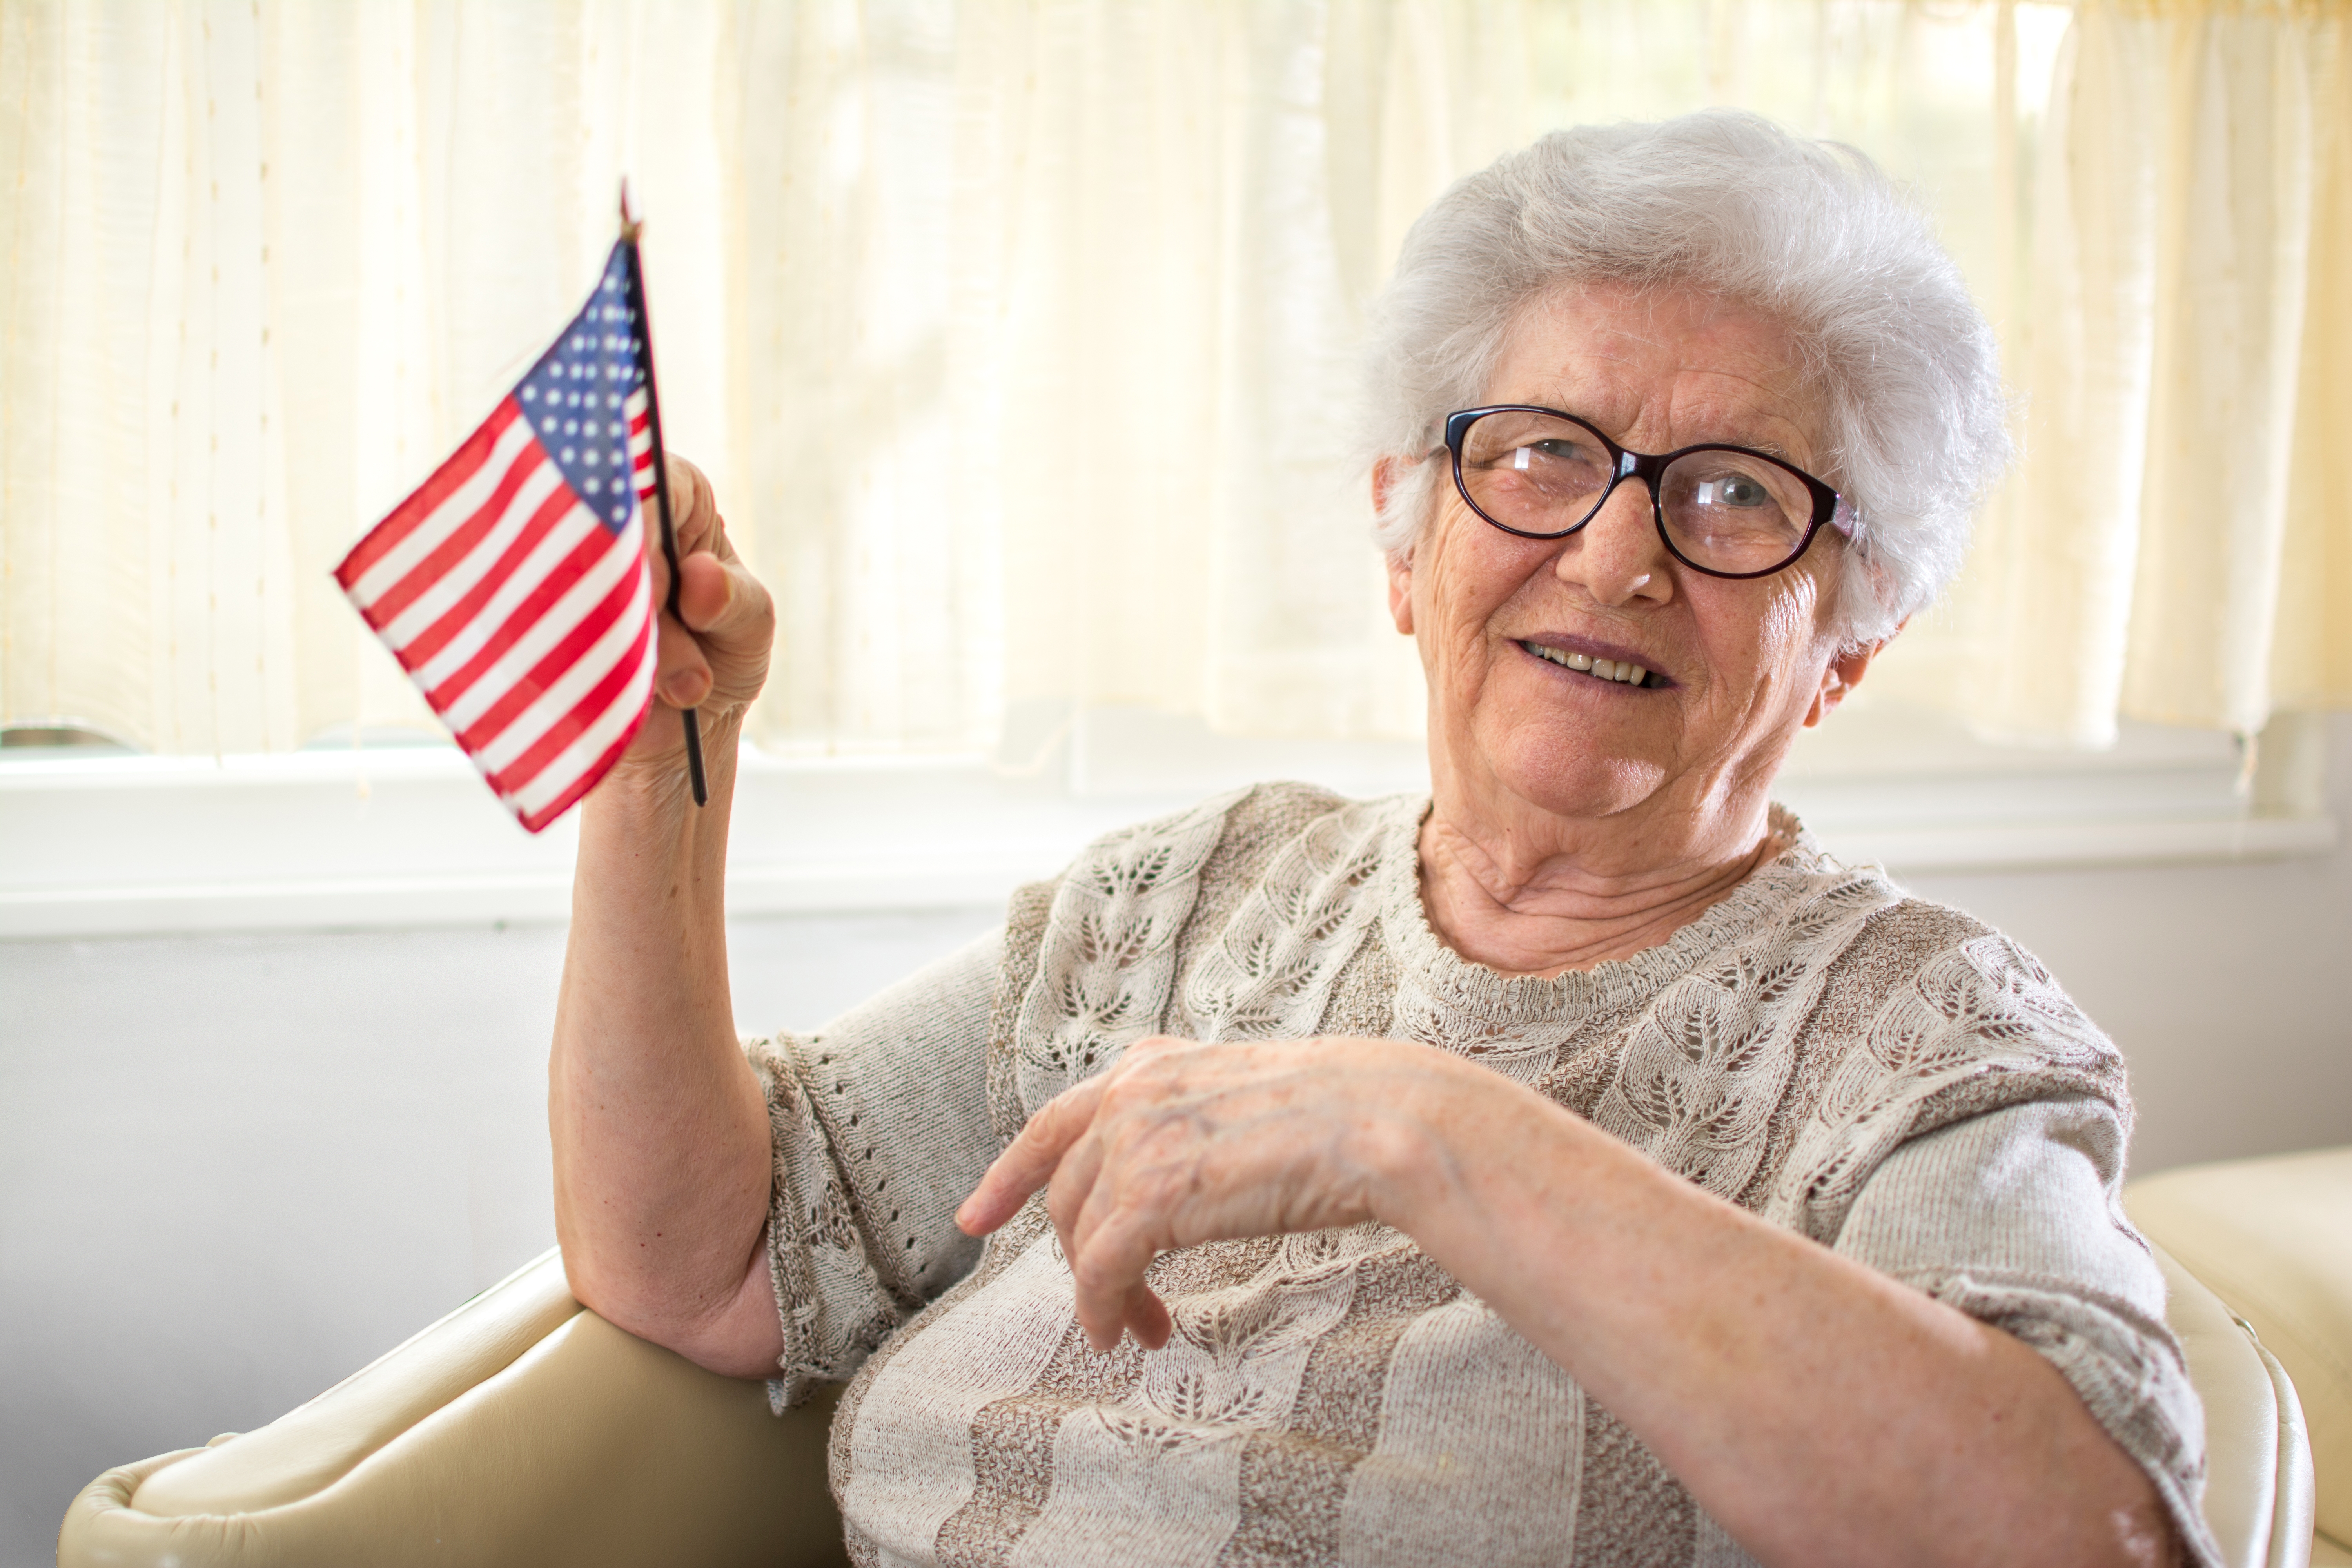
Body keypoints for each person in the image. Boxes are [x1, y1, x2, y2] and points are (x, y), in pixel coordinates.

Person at [547, 111, 2213, 1567]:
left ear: (1850, 636)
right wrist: (655, 762)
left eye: (1734, 495)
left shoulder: (1928, 1039)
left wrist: (1423, 1129)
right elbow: (701, 1264)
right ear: (1406, 545)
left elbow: (2089, 1532)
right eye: (1544, 453)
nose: (1617, 555)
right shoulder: (1188, 901)